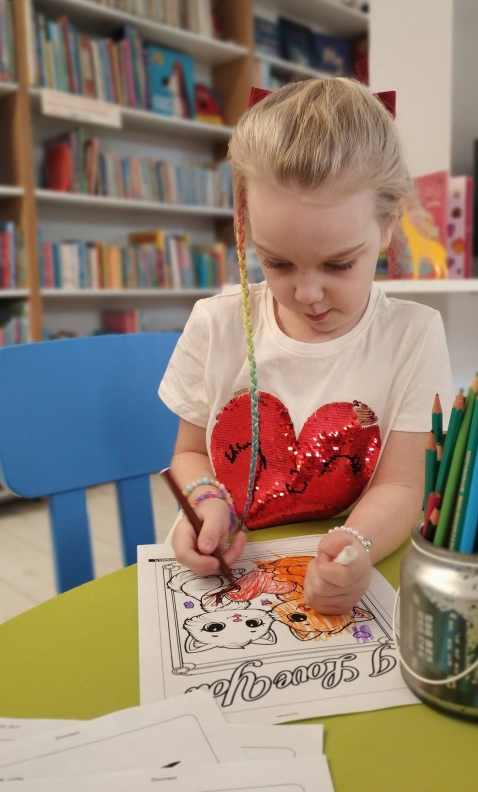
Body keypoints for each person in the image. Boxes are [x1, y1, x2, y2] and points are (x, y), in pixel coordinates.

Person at [158, 77, 454, 615]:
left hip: (351, 567)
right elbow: (190, 453)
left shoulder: (414, 335)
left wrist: (355, 545)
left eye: (338, 264)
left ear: (388, 225)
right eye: (277, 262)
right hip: (224, 578)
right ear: (246, 224)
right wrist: (204, 502)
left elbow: (403, 487)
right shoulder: (216, 323)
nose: (308, 294)